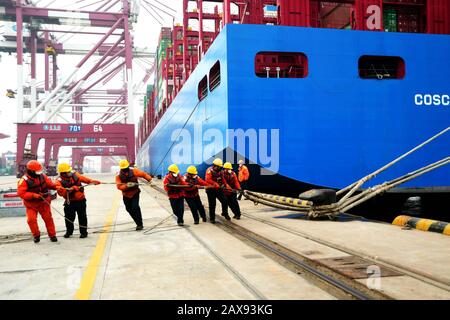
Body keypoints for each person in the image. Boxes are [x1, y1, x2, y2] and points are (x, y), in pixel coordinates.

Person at [55, 163, 101, 238]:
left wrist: (92, 181)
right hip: (70, 202)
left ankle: (83, 232)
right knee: (69, 218)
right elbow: (61, 192)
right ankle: (69, 232)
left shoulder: (75, 175)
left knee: (82, 217)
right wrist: (72, 189)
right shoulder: (58, 181)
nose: (70, 172)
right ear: (63, 173)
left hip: (81, 200)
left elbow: (84, 179)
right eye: (68, 171)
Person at [17, 160, 58, 243]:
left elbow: (50, 184)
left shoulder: (42, 176)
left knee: (48, 219)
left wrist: (57, 187)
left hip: (44, 203)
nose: (39, 172)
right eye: (37, 171)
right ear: (31, 171)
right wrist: (34, 195)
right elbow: (21, 193)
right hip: (31, 205)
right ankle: (36, 235)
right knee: (31, 220)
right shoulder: (23, 180)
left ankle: (52, 235)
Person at [115, 159, 152, 231]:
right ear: (121, 168)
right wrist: (126, 186)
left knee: (135, 207)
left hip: (135, 192)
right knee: (128, 209)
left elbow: (144, 174)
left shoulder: (134, 171)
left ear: (128, 166)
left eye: (126, 168)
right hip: (126, 194)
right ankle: (137, 221)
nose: (125, 169)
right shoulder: (118, 175)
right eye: (124, 168)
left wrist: (150, 180)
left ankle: (139, 224)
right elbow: (119, 186)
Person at [205, 158, 231, 223]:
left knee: (225, 200)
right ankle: (212, 218)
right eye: (219, 167)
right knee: (212, 204)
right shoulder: (209, 171)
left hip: (218, 189)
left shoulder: (220, 171)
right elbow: (207, 179)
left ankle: (225, 213)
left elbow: (222, 178)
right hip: (210, 190)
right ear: (215, 166)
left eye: (220, 167)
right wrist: (215, 183)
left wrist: (226, 184)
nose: (220, 168)